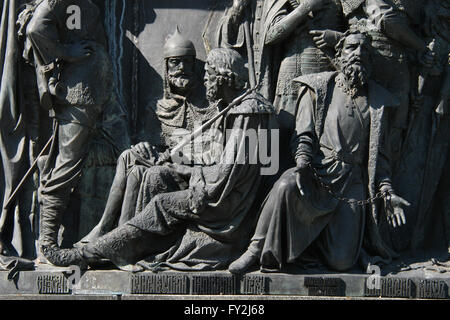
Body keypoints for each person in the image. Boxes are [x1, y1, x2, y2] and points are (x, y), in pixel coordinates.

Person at [42, 48, 277, 272]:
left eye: (208, 75)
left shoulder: (248, 113)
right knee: (157, 176)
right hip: (219, 186)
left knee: (162, 204)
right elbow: (221, 156)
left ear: (223, 77)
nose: (204, 81)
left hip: (228, 202)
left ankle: (88, 255)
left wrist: (187, 171)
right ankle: (128, 248)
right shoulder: (233, 108)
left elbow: (228, 173)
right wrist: (178, 163)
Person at [228, 30, 410, 274]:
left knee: (342, 262)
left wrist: (387, 192)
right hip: (318, 171)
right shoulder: (318, 87)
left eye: (365, 51)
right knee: (286, 185)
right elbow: (304, 135)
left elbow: (381, 157)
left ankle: (315, 246)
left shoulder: (379, 101)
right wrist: (302, 164)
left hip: (352, 183)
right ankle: (255, 250)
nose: (358, 54)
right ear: (339, 54)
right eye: (352, 48)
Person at [77, 28, 217, 246]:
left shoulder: (210, 108)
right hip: (165, 165)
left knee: (145, 171)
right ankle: (111, 231)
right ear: (166, 67)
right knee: (131, 160)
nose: (182, 68)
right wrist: (144, 147)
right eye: (175, 63)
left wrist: (179, 157)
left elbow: (213, 153)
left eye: (187, 62)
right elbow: (153, 144)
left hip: (190, 175)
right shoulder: (158, 108)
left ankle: (114, 236)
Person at [25, 0, 129, 265]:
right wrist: (64, 52)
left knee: (125, 155)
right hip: (79, 92)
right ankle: (47, 242)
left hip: (103, 90)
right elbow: (35, 29)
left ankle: (119, 238)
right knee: (67, 165)